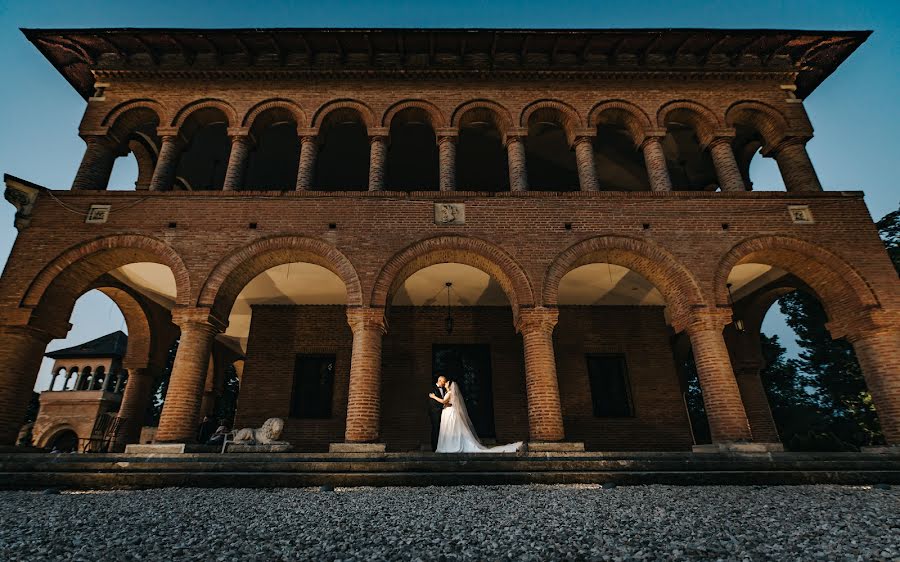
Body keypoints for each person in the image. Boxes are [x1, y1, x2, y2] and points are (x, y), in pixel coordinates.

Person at [429, 379, 522, 453]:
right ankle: (449, 444)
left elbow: (444, 401)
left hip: (450, 413)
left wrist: (434, 397)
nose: (445, 383)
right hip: (447, 412)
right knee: (449, 430)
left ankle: (452, 445)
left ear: (449, 386)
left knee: (451, 428)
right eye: (444, 382)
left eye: (446, 383)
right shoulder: (448, 393)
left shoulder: (449, 393)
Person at [427, 375, 448, 452]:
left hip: (443, 413)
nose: (444, 383)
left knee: (442, 430)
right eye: (443, 381)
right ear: (439, 381)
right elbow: (432, 403)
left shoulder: (445, 389)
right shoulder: (432, 388)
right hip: (435, 413)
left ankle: (441, 446)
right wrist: (441, 407)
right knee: (435, 429)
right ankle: (435, 447)